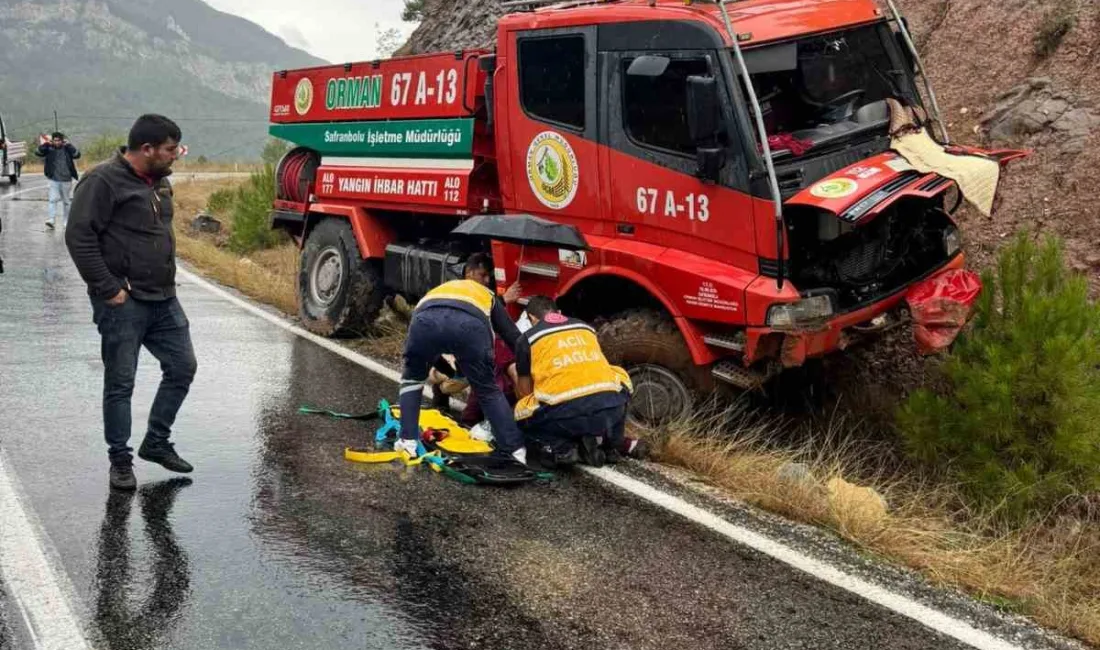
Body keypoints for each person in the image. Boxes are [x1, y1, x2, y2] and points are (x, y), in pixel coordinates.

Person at [66, 114, 195, 491]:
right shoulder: (102, 181)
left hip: (164, 299)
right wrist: (108, 288)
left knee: (182, 367)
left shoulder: (160, 182)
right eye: (171, 150)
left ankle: (156, 441)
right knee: (121, 383)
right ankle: (120, 461)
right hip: (123, 302)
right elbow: (79, 237)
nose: (176, 156)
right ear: (147, 149)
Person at [396, 253, 525, 463]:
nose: (486, 280)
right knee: (488, 390)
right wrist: (527, 363)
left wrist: (445, 370)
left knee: (411, 381)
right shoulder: (487, 294)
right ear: (469, 273)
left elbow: (428, 349)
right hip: (470, 327)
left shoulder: (438, 290)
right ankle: (515, 451)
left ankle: (407, 442)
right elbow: (513, 337)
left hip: (424, 319)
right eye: (483, 275)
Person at [513, 296, 647, 468]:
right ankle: (613, 442)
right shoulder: (586, 328)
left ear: (530, 318)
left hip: (567, 416)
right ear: (559, 313)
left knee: (520, 412)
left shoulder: (527, 339)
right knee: (617, 379)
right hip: (612, 409)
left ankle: (562, 448)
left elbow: (525, 391)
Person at [36, 131, 81, 230]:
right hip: (54, 179)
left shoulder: (67, 149)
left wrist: (69, 145)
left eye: (59, 140)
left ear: (62, 141)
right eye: (55, 140)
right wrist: (47, 143)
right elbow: (38, 152)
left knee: (66, 201)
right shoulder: (49, 148)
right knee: (52, 200)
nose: (57, 142)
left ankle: (66, 221)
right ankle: (51, 220)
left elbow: (77, 155)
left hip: (66, 180)